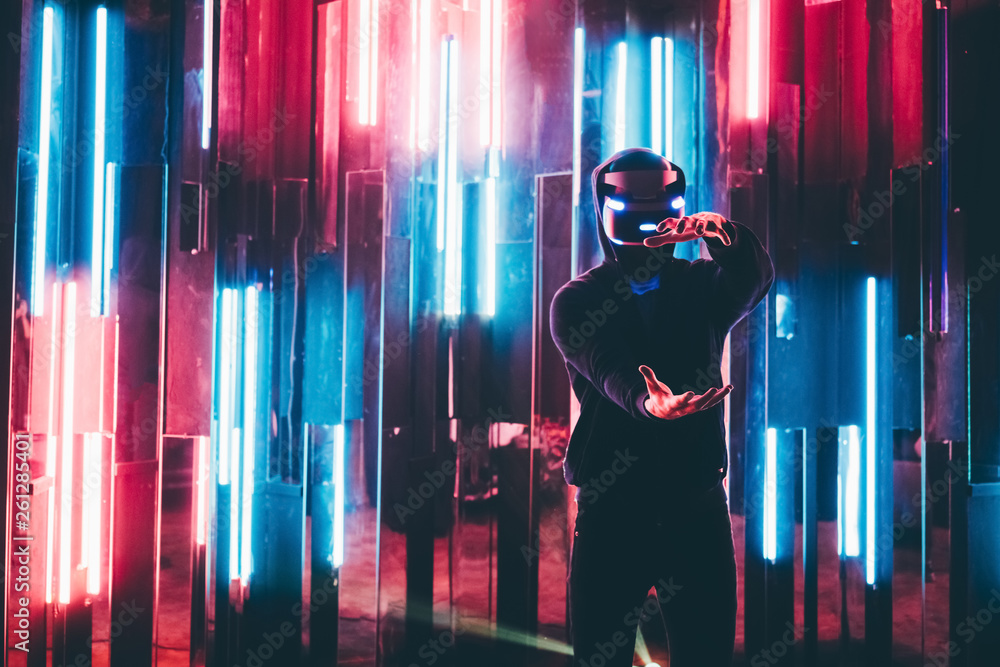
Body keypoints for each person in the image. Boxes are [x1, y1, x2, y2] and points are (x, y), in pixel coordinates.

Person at [549, 148, 774, 666]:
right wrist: (648, 402)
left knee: (706, 651)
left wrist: (725, 236)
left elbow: (753, 279)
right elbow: (607, 367)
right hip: (612, 509)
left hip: (693, 503)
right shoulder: (577, 300)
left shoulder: (700, 285)